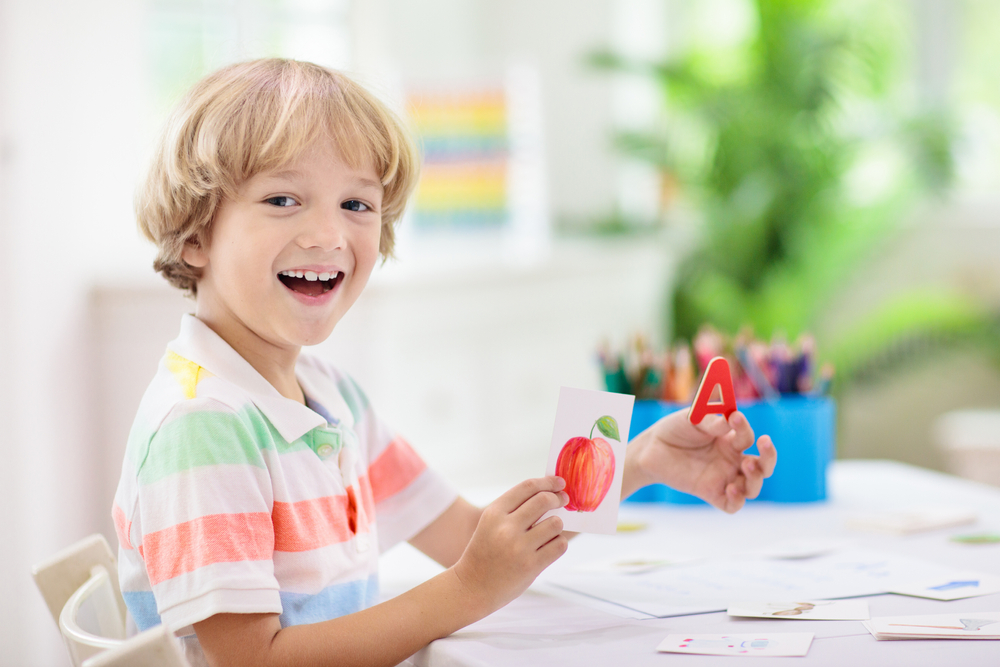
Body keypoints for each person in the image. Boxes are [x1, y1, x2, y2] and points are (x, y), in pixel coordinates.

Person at [112, 58, 776, 667]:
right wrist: (466, 591)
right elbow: (253, 661)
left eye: (357, 204)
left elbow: (471, 538)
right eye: (283, 199)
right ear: (195, 234)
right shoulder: (200, 425)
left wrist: (638, 460)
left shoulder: (326, 394)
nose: (328, 233)